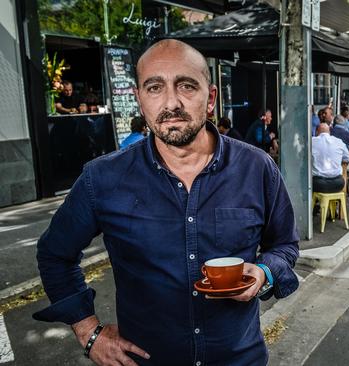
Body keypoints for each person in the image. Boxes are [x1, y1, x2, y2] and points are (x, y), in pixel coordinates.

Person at [33, 39, 299, 366]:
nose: (171, 102)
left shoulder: (257, 168)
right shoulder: (102, 179)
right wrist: (88, 331)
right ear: (139, 100)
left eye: (186, 86)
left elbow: (285, 244)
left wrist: (263, 272)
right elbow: (54, 254)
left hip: (240, 359)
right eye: (155, 87)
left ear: (211, 97)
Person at [312, 123, 349, 193]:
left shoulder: (311, 142)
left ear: (316, 132)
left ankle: (312, 202)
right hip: (338, 184)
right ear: (329, 132)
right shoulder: (339, 141)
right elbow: (347, 159)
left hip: (318, 184)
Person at [330, 115, 349, 191]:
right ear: (344, 124)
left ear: (334, 123)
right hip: (343, 164)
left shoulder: (329, 132)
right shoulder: (348, 134)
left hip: (330, 163)